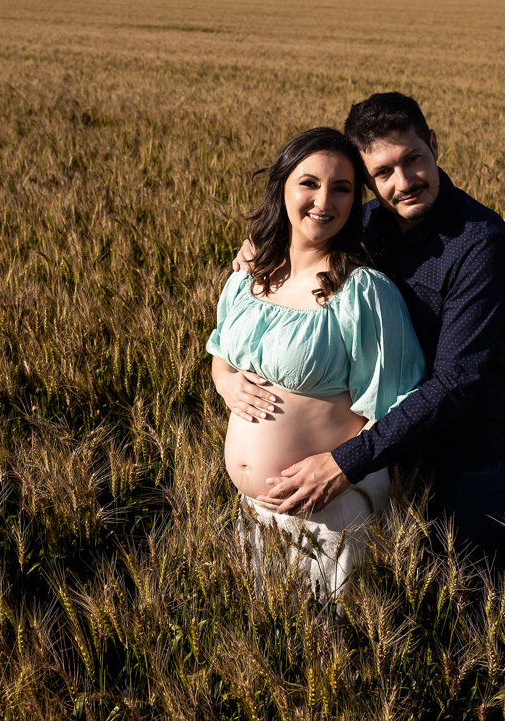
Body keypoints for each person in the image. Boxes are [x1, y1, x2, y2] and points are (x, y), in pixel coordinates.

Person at [224, 93, 505, 550]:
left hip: (459, 460)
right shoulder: (364, 224)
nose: (403, 182)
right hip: (377, 453)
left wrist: (345, 462)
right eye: (382, 172)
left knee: (462, 596)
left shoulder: (480, 244)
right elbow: (310, 232)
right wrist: (261, 250)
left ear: (434, 146)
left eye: (413, 159)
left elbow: (457, 380)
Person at [207, 127, 426, 598]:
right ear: (282, 186)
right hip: (254, 509)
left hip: (330, 510)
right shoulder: (250, 277)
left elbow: (398, 407)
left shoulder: (363, 291)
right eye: (309, 183)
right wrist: (225, 383)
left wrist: (337, 469)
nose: (324, 200)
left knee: (335, 649)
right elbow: (220, 353)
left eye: (342, 188)